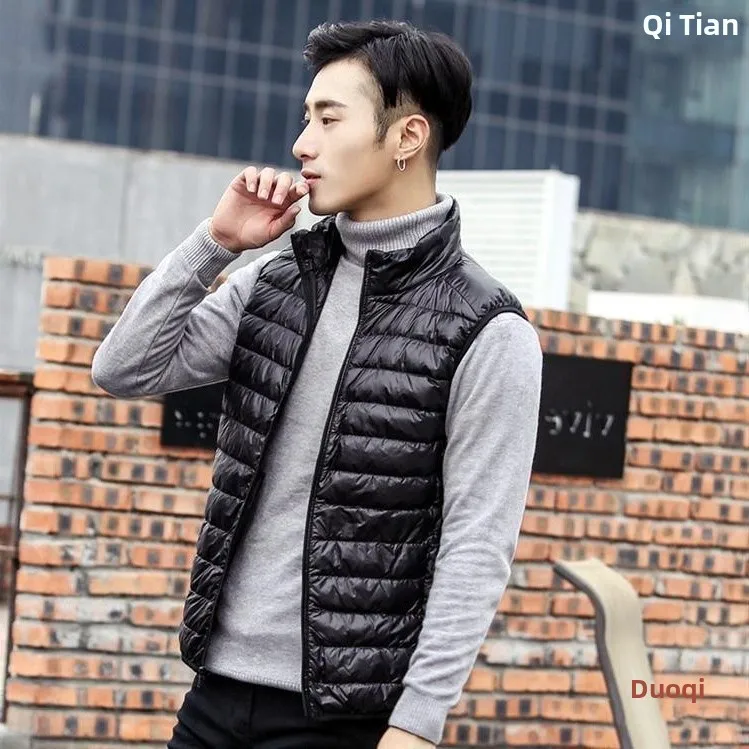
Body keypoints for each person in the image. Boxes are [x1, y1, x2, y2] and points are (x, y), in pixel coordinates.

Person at [91, 19, 542, 749]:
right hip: (215, 693)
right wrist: (215, 244)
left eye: (329, 120)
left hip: (343, 718)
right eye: (306, 119)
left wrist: (417, 724)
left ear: (407, 137)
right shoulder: (278, 281)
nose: (303, 144)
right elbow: (124, 368)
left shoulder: (487, 330)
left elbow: (476, 545)